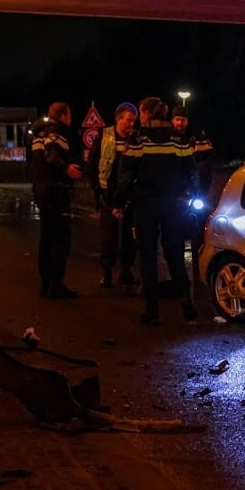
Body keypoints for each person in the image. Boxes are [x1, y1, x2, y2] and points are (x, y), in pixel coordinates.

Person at [113, 97, 198, 325]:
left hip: (145, 206)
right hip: (172, 207)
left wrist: (118, 203)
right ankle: (187, 306)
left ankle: (152, 311)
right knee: (175, 256)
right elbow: (191, 172)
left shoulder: (138, 140)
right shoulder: (179, 140)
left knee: (148, 257)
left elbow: (126, 175)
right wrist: (189, 196)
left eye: (141, 113)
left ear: (147, 114)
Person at [30, 101, 82, 299]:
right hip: (55, 193)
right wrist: (66, 167)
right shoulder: (54, 133)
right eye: (69, 114)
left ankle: (45, 283)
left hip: (42, 191)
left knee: (46, 238)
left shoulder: (37, 134)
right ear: (62, 115)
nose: (71, 118)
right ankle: (56, 284)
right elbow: (52, 157)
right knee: (60, 239)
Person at [85, 102, 138, 288]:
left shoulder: (135, 138)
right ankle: (106, 273)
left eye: (134, 121)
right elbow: (91, 164)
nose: (131, 124)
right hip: (108, 194)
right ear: (118, 119)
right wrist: (97, 191)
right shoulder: (104, 136)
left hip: (128, 196)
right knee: (109, 237)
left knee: (129, 237)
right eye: (128, 120)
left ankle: (126, 271)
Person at [170, 105, 214, 262]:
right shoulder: (168, 137)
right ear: (172, 120)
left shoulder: (197, 136)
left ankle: (199, 256)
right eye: (177, 120)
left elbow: (207, 162)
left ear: (187, 121)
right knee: (175, 225)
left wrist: (204, 189)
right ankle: (177, 257)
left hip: (196, 189)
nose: (180, 123)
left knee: (200, 224)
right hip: (176, 190)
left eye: (182, 120)